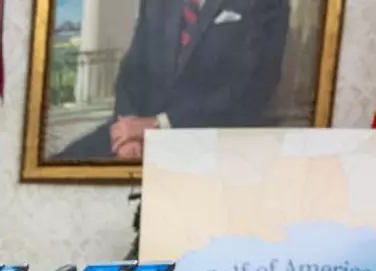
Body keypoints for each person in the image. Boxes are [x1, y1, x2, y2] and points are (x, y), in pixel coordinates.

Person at [56, 0, 289, 162]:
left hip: (211, 139)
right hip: (138, 131)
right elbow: (132, 71)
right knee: (62, 166)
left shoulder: (265, 3)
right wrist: (126, 133)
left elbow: (251, 90)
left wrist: (158, 124)